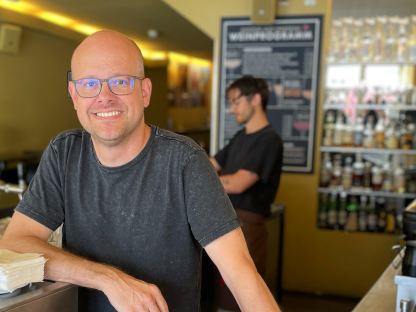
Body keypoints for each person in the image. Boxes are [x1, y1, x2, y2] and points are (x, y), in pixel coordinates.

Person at [0, 30, 280, 312]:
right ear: (74, 95)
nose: (104, 97)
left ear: (144, 92)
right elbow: (16, 242)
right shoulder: (65, 153)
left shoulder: (184, 161)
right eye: (89, 84)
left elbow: (241, 274)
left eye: (120, 82)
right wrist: (108, 279)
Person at [210, 76, 283, 311]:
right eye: (230, 103)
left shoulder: (269, 140)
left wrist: (203, 183)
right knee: (220, 297)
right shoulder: (241, 137)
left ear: (256, 99)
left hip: (248, 228)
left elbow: (239, 183)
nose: (232, 109)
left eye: (236, 101)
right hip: (224, 224)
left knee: (241, 300)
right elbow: (211, 164)